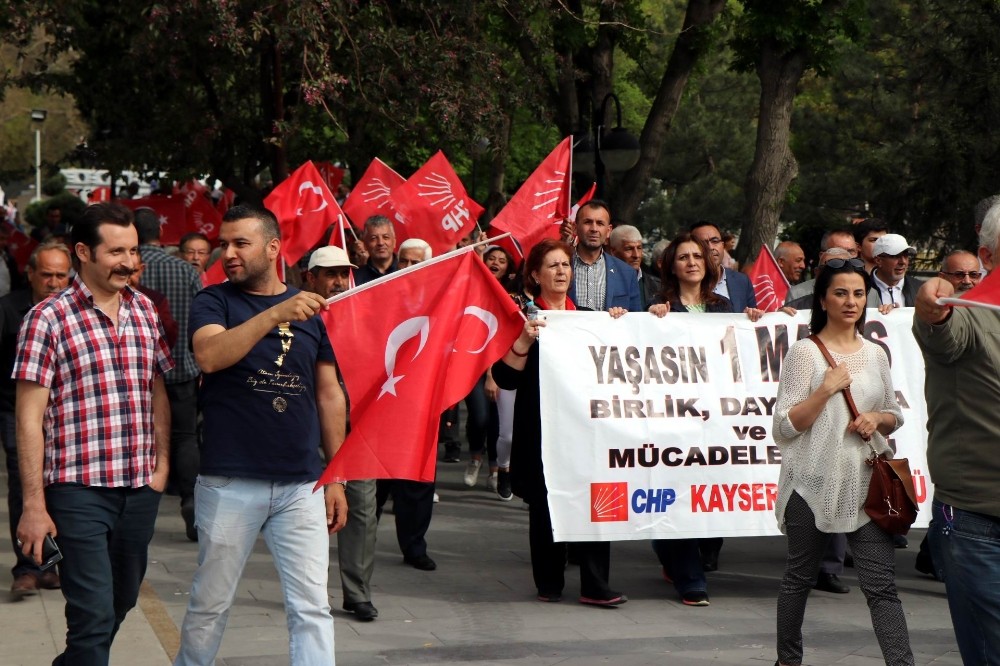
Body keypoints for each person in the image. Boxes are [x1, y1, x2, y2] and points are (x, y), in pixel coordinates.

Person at [174, 205, 348, 665]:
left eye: (240, 244)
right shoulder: (214, 300)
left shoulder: (312, 312)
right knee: (209, 606)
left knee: (313, 608)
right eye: (224, 243)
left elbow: (329, 395)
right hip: (230, 481)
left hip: (302, 485)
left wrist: (336, 475)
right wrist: (274, 315)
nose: (227, 253)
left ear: (273, 248)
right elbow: (210, 356)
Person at [14, 202, 173, 663]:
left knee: (120, 603)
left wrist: (161, 469)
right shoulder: (47, 319)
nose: (129, 262)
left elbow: (157, 390)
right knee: (92, 616)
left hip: (139, 489)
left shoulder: (145, 309)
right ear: (83, 251)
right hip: (77, 490)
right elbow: (28, 417)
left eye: (134, 251)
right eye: (117, 251)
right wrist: (33, 505)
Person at [772, 258, 912, 666]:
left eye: (857, 293)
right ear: (822, 299)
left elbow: (894, 413)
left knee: (881, 585)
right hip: (810, 483)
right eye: (840, 293)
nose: (851, 301)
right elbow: (785, 426)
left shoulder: (875, 355)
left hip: (865, 483)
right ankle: (788, 660)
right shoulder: (804, 353)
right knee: (799, 579)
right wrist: (825, 390)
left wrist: (877, 418)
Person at [492, 238, 628, 607]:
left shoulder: (587, 317)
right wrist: (522, 341)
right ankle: (549, 582)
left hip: (588, 429)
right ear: (535, 275)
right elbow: (504, 379)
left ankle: (596, 584)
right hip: (541, 430)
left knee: (599, 495)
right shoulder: (524, 320)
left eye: (565, 265)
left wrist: (615, 325)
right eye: (552, 266)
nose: (561, 271)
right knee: (545, 503)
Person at [911, 200, 1000, 663]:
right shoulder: (966, 311)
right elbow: (942, 330)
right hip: (978, 521)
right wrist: (934, 307)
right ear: (987, 257)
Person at [646, 232, 737, 606]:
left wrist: (752, 322)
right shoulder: (659, 306)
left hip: (717, 418)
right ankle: (689, 578)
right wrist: (647, 321)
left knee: (711, 495)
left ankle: (676, 553)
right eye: (683, 257)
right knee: (679, 494)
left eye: (697, 256)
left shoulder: (724, 306)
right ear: (672, 267)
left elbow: (736, 355)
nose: (692, 262)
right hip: (676, 420)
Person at [302, 245, 380, 622]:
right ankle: (308, 591)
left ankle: (357, 592)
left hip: (356, 431)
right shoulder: (295, 315)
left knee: (362, 511)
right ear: (310, 277)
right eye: (328, 274)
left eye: (342, 273)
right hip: (301, 431)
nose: (336, 281)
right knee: (302, 516)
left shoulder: (366, 316)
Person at [1, 242, 71, 596]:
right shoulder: (9, 309)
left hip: (62, 415)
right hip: (16, 411)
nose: (54, 282)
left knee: (57, 488)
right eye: (47, 274)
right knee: (23, 485)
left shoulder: (75, 312)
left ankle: (52, 563)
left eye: (61, 275)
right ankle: (27, 566)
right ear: (30, 274)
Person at [368, 239, 439, 571]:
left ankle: (414, 546)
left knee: (418, 481)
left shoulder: (442, 300)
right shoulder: (382, 295)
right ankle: (362, 540)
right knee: (373, 479)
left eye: (416, 262)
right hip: (383, 400)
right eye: (404, 262)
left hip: (423, 402)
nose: (409, 268)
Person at [135, 208, 203, 542]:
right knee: (185, 436)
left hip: (141, 372)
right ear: (159, 233)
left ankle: (142, 503)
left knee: (144, 437)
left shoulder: (126, 270)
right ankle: (191, 499)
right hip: (183, 367)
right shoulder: (184, 269)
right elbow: (201, 315)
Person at [559, 200, 641, 312]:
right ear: (575, 228)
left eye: (600, 223)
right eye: (588, 222)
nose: (594, 229)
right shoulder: (560, 267)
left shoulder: (627, 273)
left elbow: (636, 319)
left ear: (608, 231)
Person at [785, 229, 858, 305]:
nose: (845, 256)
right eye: (838, 251)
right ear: (822, 256)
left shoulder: (869, 294)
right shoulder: (797, 294)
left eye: (851, 252)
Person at [609, 224, 659, 310]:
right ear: (613, 251)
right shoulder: (603, 282)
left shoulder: (657, 285)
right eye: (629, 249)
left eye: (639, 248)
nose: (636, 255)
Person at [869, 233, 922, 309]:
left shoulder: (920, 289)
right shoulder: (863, 289)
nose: (903, 262)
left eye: (906, 255)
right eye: (896, 256)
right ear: (878, 260)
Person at [354, 215, 398, 284]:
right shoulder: (355, 278)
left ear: (394, 242)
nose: (380, 243)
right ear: (365, 244)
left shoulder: (406, 270)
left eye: (385, 237)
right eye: (373, 238)